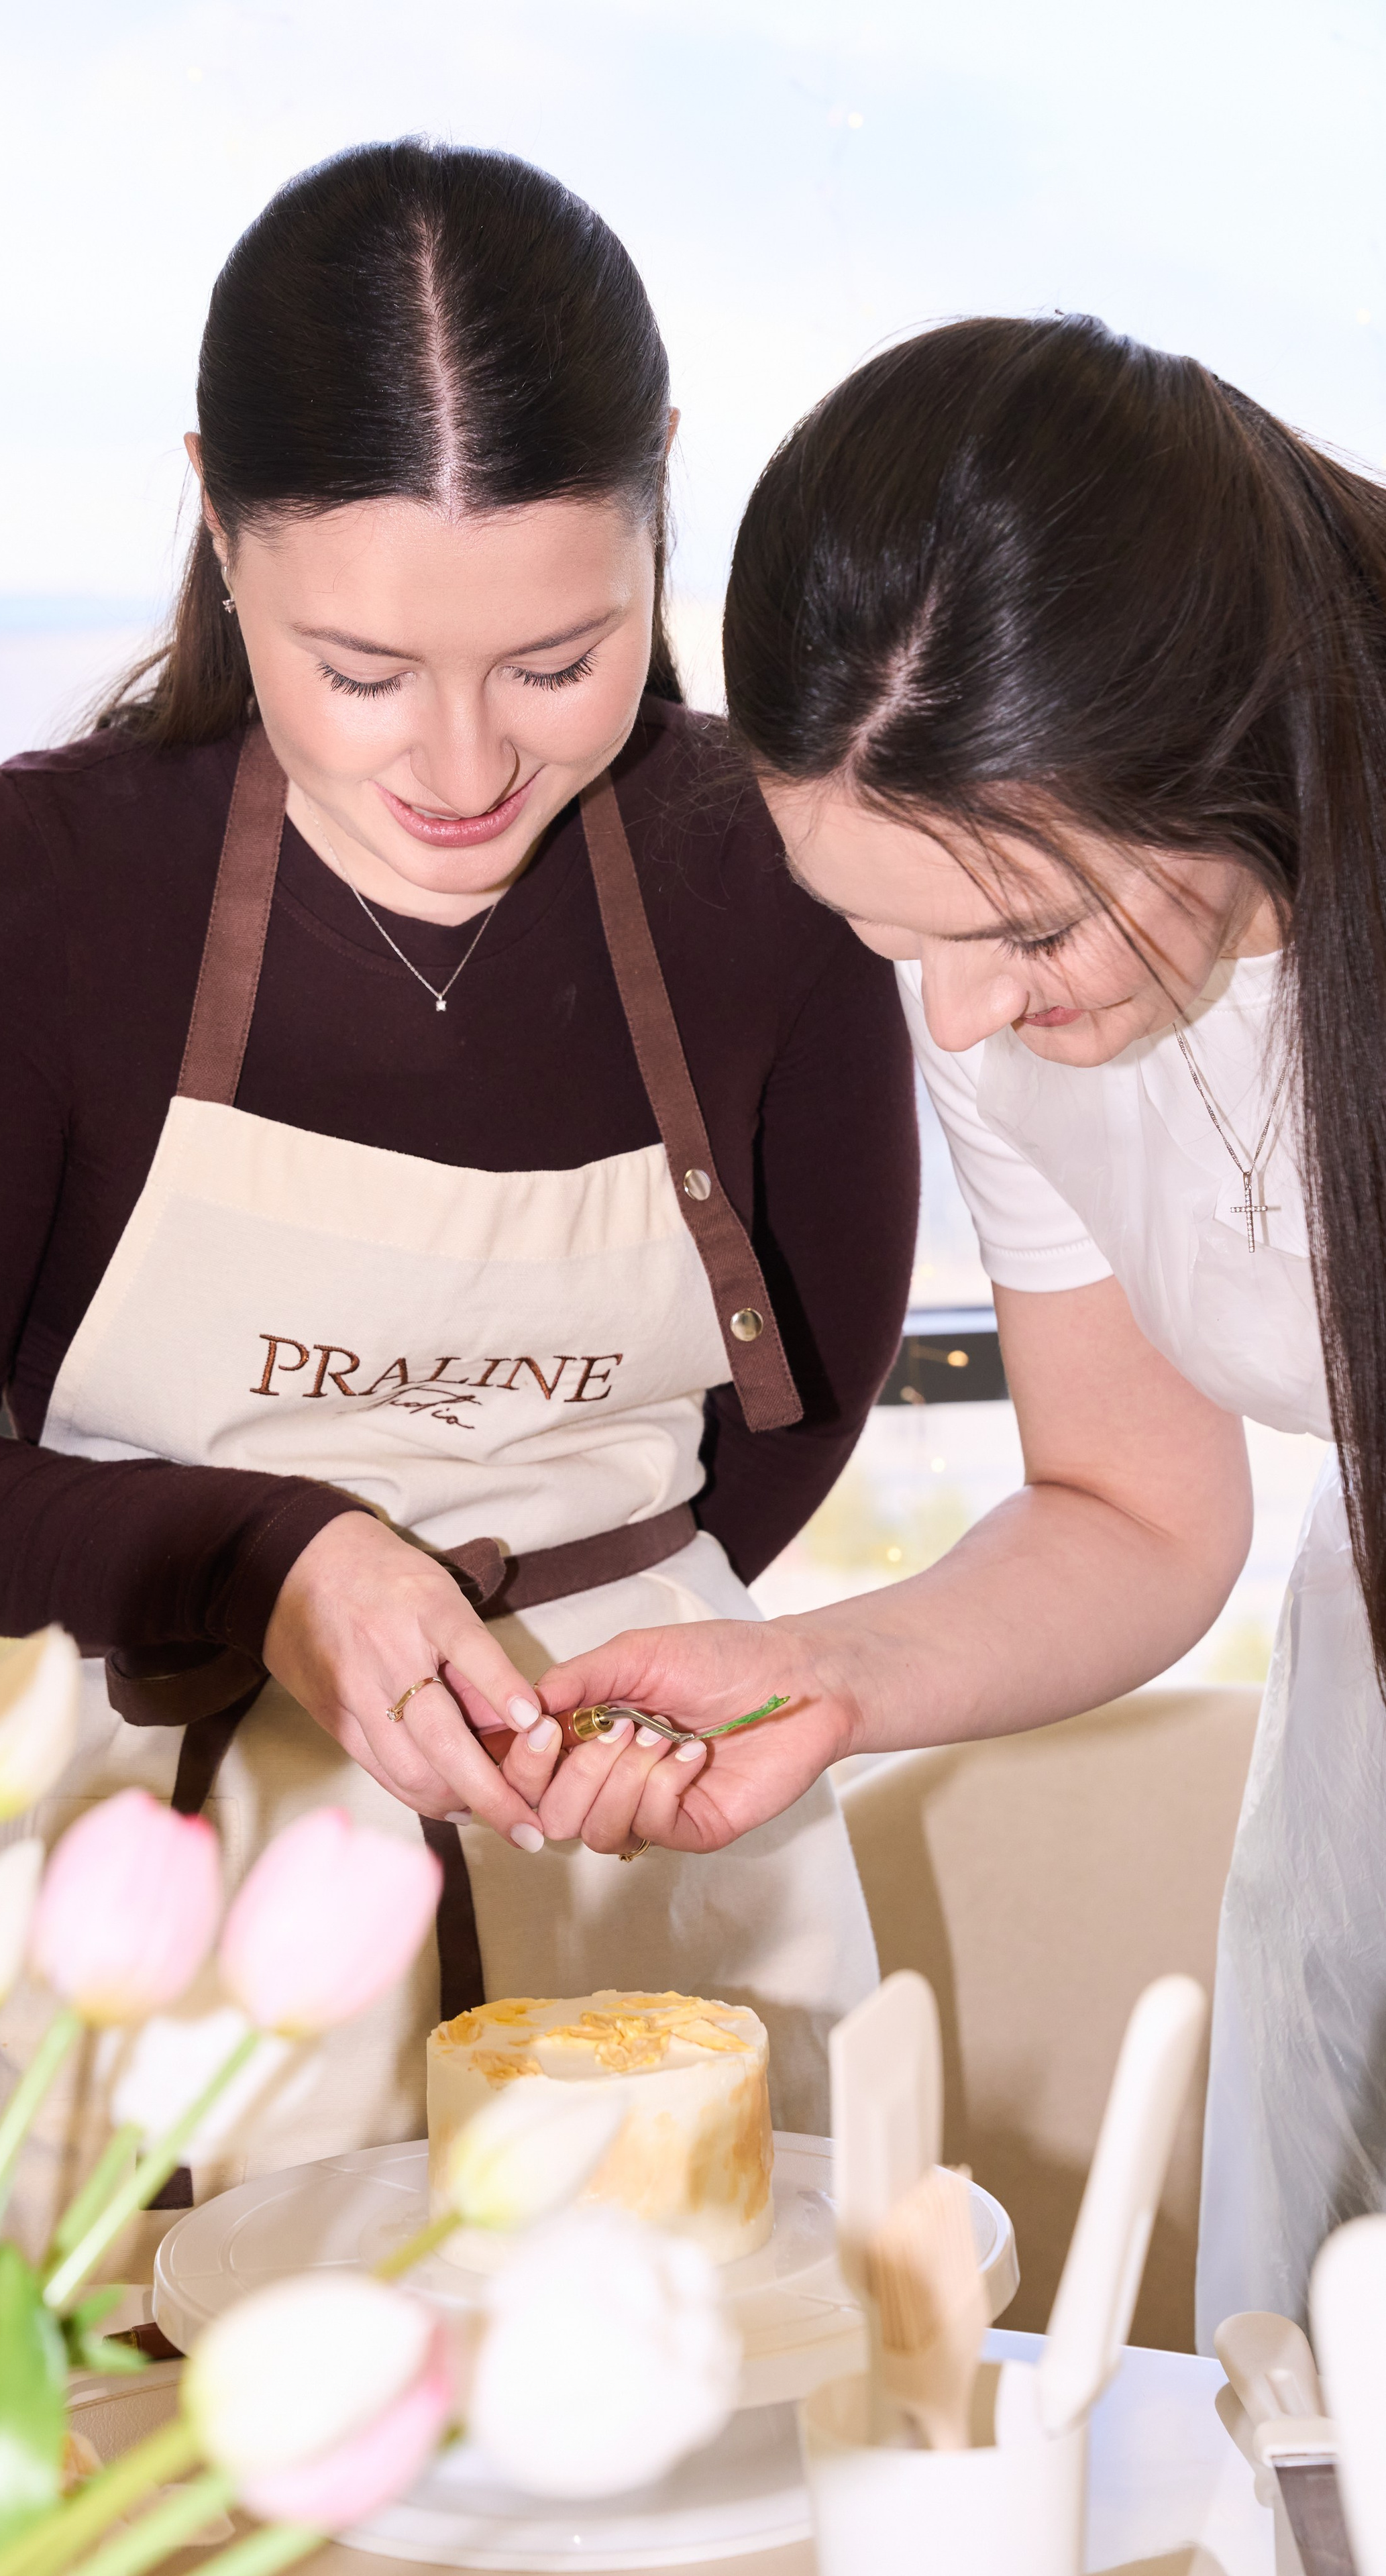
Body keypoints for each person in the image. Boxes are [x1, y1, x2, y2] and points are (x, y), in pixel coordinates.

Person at [0, 141, 916, 2233]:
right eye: (362, 674)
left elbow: (803, 1403)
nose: (463, 770)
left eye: (558, 661)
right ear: (217, 521)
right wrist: (269, 1564)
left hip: (656, 1855)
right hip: (185, 1910)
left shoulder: (772, 871)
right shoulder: (46, 893)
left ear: (662, 497)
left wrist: (588, 1640)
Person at [537, 310, 1386, 2337]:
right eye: (886, 935)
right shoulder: (996, 988)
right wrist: (817, 1673)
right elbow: (1133, 1507)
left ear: (1225, 738)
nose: (963, 1013)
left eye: (1025, 931)